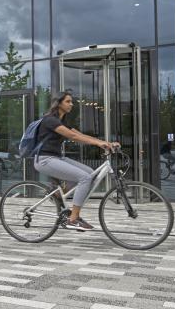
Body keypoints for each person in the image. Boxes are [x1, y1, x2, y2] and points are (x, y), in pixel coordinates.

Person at [34, 91, 118, 231]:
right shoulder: (50, 120)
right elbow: (73, 136)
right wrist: (98, 144)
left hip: (57, 157)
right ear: (58, 103)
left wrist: (105, 142)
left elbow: (79, 134)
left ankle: (56, 194)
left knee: (90, 173)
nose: (71, 104)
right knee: (84, 178)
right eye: (68, 101)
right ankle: (73, 219)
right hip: (44, 159)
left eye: (71, 101)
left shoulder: (62, 121)